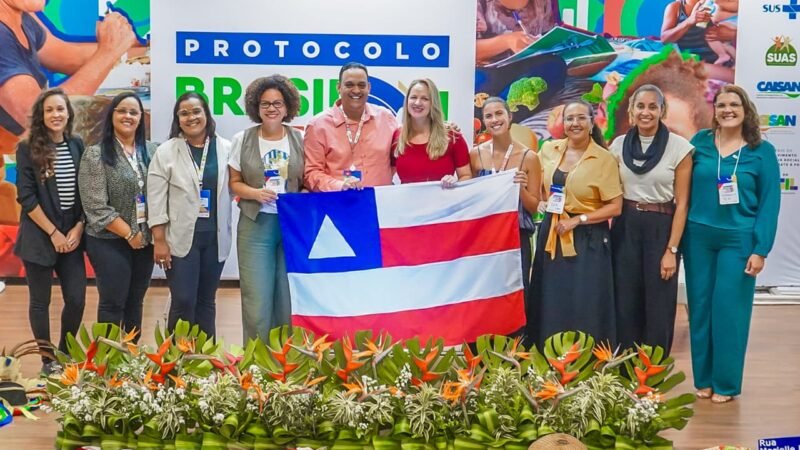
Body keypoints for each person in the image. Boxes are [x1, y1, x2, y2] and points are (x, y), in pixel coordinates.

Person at [683, 85, 780, 403]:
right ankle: (705, 379)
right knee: (699, 308)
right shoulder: (699, 143)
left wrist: (760, 249)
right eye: (721, 104)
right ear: (714, 110)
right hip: (698, 237)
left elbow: (769, 203)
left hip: (738, 240)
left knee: (729, 311)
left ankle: (725, 383)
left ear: (745, 109)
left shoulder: (761, 150)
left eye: (734, 105)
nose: (727, 110)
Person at [527, 100, 623, 348]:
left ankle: (586, 360)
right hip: (552, 233)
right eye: (569, 118)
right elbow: (533, 178)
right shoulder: (549, 149)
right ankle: (547, 356)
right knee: (551, 297)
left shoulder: (604, 158)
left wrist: (578, 220)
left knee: (583, 300)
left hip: (587, 237)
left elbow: (615, 206)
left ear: (592, 123)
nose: (575, 123)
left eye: (581, 118)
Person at [608, 85, 693, 355]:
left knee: (659, 302)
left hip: (661, 226)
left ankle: (653, 369)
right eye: (640, 106)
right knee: (626, 299)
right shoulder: (619, 145)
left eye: (652, 106)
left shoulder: (679, 148)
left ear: (661, 111)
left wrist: (671, 250)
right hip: (626, 225)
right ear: (631, 111)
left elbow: (682, 205)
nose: (646, 112)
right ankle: (624, 368)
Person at [147, 93, 232, 337]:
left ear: (206, 114)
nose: (191, 117)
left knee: (207, 301)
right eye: (184, 113)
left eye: (196, 111)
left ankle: (206, 364)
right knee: (183, 300)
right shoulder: (167, 151)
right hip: (179, 239)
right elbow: (155, 198)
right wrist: (159, 240)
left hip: (215, 239)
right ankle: (176, 362)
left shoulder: (226, 148)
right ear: (177, 119)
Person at [13, 88, 85, 373]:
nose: (56, 115)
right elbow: (26, 197)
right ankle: (48, 360)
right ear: (42, 116)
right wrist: (53, 233)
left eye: (60, 109)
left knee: (77, 298)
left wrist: (78, 228)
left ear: (68, 113)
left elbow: (85, 192)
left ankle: (66, 354)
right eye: (50, 110)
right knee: (40, 302)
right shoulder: (27, 148)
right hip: (40, 236)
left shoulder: (78, 145)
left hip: (72, 236)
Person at [229, 75, 305, 343]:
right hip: (255, 224)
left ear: (287, 107)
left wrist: (298, 199)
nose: (271, 108)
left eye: (277, 103)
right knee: (257, 297)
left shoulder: (300, 139)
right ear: (255, 107)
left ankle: (286, 360)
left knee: (287, 296)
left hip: (291, 227)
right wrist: (256, 193)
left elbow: (307, 182)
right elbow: (234, 184)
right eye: (265, 104)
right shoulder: (242, 139)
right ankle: (256, 362)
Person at [0, 0, 138, 147]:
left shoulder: (18, 13)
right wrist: (109, 52)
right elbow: (39, 117)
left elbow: (69, 57)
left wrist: (123, 46)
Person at [78, 92, 156, 334]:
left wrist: (146, 235)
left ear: (140, 118)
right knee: (113, 303)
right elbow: (95, 207)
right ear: (111, 115)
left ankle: (132, 362)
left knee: (136, 302)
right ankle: (108, 364)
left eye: (133, 112)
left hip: (145, 241)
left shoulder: (151, 151)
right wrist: (130, 234)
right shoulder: (96, 153)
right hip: (109, 241)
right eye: (122, 111)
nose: (128, 116)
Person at [471, 97, 541, 297]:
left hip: (516, 238)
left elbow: (534, 207)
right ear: (483, 121)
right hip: (484, 237)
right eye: (489, 116)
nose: (495, 119)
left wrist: (520, 190)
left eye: (499, 113)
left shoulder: (529, 157)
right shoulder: (475, 155)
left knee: (516, 295)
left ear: (510, 117)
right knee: (485, 294)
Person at [303, 62, 397, 192]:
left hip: (381, 204)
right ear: (338, 87)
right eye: (349, 85)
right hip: (338, 204)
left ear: (369, 88)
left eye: (361, 85)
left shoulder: (386, 118)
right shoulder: (318, 125)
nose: (356, 90)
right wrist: (339, 186)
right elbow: (311, 174)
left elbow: (399, 159)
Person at [393, 78, 471, 186]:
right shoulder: (397, 136)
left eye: (425, 98)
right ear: (406, 102)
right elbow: (385, 174)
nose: (417, 102)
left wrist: (455, 183)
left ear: (433, 103)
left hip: (444, 202)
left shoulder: (452, 136)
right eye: (413, 97)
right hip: (407, 203)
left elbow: (466, 176)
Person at [476, 0, 558, 65]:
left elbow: (548, 36)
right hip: (489, 72)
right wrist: (506, 41)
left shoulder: (543, 2)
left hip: (533, 63)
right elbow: (466, 51)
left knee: (554, 64)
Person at [661, 0, 737, 65]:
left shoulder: (714, 4)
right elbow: (665, 39)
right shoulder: (675, 7)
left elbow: (737, 22)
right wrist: (688, 21)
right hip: (692, 63)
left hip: (719, 62)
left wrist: (733, 34)